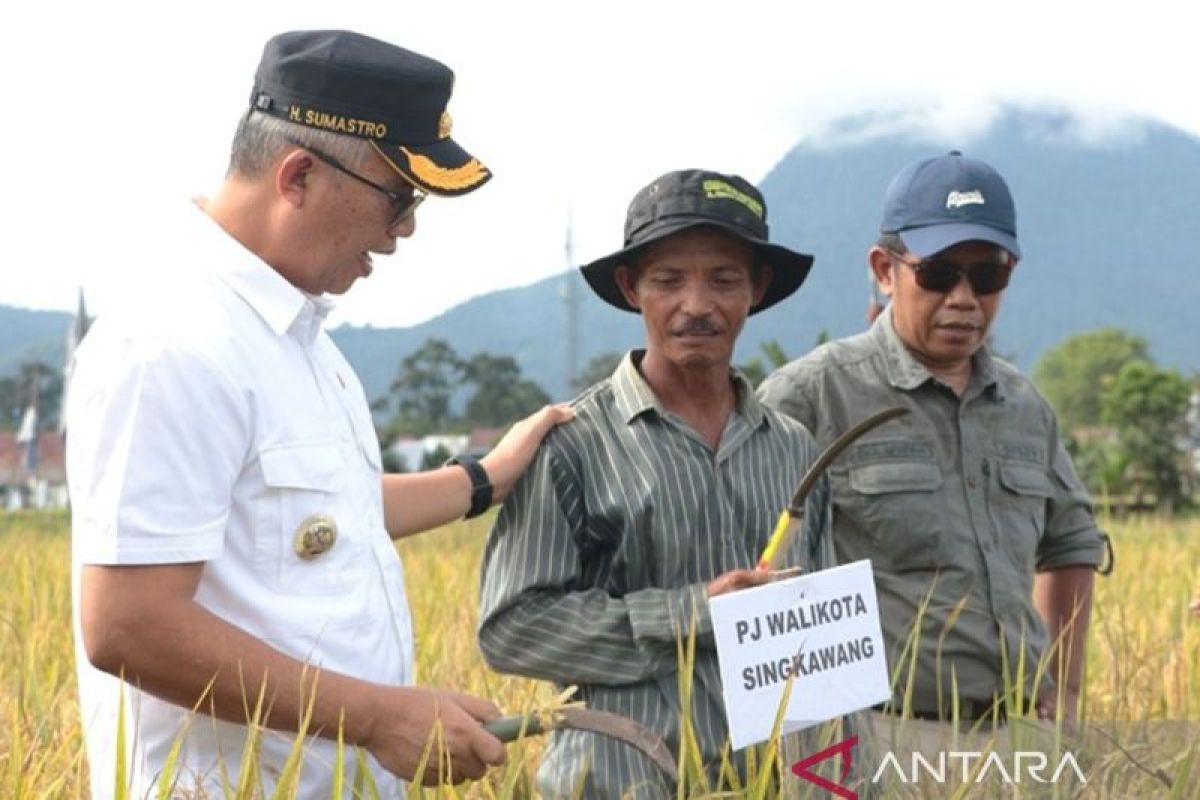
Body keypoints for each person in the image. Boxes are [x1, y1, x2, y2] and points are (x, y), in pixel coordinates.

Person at [67, 29, 573, 799]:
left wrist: (485, 478)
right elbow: (128, 623)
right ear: (298, 175)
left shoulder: (298, 339)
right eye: (399, 197)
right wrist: (378, 717)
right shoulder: (173, 343)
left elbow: (311, 514)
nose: (402, 232)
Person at [477, 169, 832, 798]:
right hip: (618, 781)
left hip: (773, 782)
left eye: (724, 279)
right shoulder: (573, 444)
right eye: (668, 280)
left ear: (758, 287)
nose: (696, 305)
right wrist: (697, 613)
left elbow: (823, 648)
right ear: (630, 287)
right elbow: (512, 627)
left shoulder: (795, 449)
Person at [758, 152, 1108, 731]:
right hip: (875, 734)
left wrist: (1065, 689)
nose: (965, 298)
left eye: (988, 275)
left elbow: (1071, 541)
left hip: (1016, 737)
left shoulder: (1024, 406)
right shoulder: (812, 396)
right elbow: (748, 565)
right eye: (939, 273)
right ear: (884, 269)